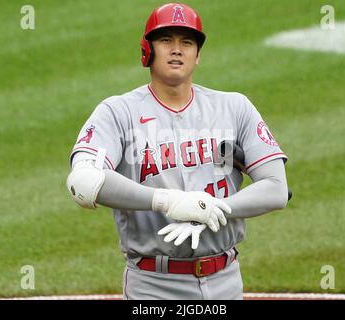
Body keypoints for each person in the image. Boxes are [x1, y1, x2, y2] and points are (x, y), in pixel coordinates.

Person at [66, 3, 289, 300]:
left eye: (187, 42)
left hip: (226, 279)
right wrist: (168, 202)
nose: (177, 49)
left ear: (197, 55)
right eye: (166, 40)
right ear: (148, 51)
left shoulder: (234, 107)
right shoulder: (118, 112)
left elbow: (276, 189)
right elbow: (83, 183)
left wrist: (211, 210)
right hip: (154, 285)